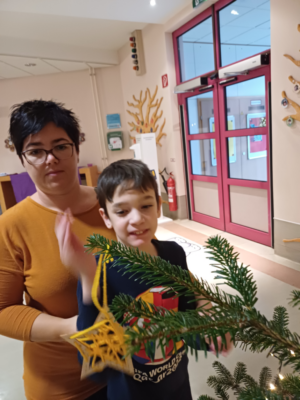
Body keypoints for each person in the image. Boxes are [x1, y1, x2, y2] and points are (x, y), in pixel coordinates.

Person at [55, 159, 232, 400]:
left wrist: (212, 336)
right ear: (106, 217)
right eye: (122, 211)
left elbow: (189, 321)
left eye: (146, 206)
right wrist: (87, 280)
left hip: (178, 387)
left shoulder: (173, 254)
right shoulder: (97, 270)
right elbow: (97, 367)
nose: (137, 218)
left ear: (159, 206)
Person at [0, 100, 114, 400]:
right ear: (22, 159)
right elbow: (2, 311)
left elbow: (153, 262)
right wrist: (73, 327)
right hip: (65, 385)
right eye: (36, 151)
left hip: (135, 368)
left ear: (76, 148)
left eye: (61, 146)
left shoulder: (114, 204)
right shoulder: (12, 225)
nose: (50, 158)